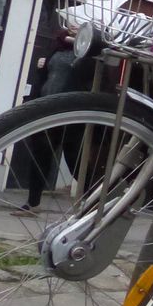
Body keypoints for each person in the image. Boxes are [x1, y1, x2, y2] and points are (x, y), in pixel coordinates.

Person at [15, 26, 98, 215]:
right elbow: (45, 75)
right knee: (40, 158)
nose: (74, 28)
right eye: (72, 25)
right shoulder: (57, 46)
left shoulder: (88, 54)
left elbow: (90, 80)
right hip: (47, 109)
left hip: (70, 113)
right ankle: (32, 203)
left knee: (75, 160)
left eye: (79, 27)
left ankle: (95, 201)